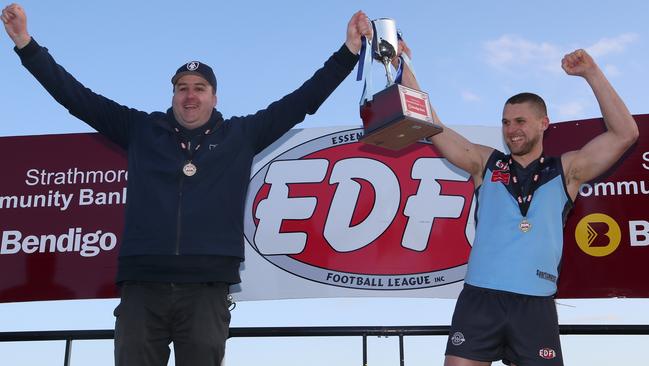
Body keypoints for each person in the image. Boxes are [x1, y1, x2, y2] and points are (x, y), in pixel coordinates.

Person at [2, 3, 372, 366]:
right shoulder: (140, 129)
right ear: (173, 95)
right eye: (182, 87)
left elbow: (302, 101)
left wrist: (348, 52)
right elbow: (75, 97)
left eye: (199, 88)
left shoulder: (241, 135)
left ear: (214, 96)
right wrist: (25, 44)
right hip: (142, 288)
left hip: (206, 291)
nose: (190, 95)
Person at [397, 41, 638, 365]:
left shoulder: (566, 170)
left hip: (535, 306)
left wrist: (591, 73)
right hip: (480, 299)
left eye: (521, 121)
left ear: (543, 123)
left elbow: (626, 133)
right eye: (506, 122)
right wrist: (401, 66)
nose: (512, 130)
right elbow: (432, 124)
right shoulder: (486, 163)